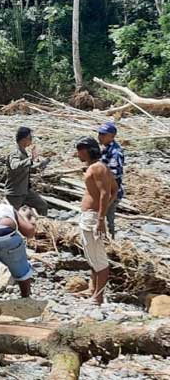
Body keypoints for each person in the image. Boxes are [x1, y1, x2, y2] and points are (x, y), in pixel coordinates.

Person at [75, 137, 118, 305]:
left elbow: (105, 193)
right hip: (91, 215)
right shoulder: (97, 167)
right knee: (91, 255)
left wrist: (100, 217)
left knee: (99, 258)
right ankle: (93, 289)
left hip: (93, 217)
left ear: (87, 150)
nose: (78, 153)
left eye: (80, 150)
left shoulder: (97, 167)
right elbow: (115, 189)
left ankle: (98, 297)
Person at [4, 127, 49, 217]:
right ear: (24, 139)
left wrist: (40, 164)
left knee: (42, 206)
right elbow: (15, 166)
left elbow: (26, 168)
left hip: (25, 191)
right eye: (30, 138)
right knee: (10, 216)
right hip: (15, 193)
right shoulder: (15, 153)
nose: (31, 141)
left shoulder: (23, 152)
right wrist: (31, 159)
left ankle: (40, 226)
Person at [98, 122, 125, 238]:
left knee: (107, 218)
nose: (100, 136)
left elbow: (114, 174)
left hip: (111, 192)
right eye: (99, 134)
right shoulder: (106, 149)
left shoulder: (115, 152)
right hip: (105, 190)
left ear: (112, 136)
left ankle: (109, 243)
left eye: (103, 134)